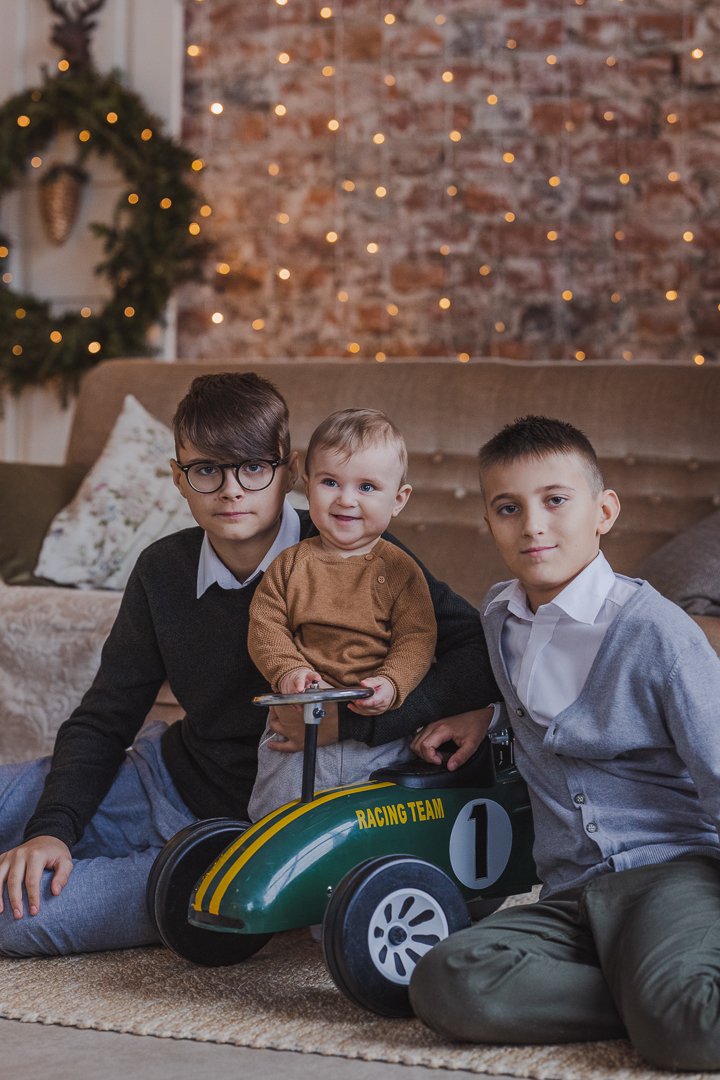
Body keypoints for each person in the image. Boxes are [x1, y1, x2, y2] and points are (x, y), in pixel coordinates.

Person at [0, 372, 497, 958]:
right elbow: (105, 716)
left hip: (248, 837)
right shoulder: (163, 570)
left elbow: (479, 651)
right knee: (22, 816)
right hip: (165, 777)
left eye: (254, 467)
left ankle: (192, 885)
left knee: (15, 917)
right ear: (178, 478)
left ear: (289, 471)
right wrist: (52, 829)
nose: (231, 490)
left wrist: (354, 723)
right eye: (207, 470)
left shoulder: (362, 551)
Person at [410, 415, 720, 1073]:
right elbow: (537, 710)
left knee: (689, 1031)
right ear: (489, 523)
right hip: (571, 893)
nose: (533, 525)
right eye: (508, 508)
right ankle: (647, 996)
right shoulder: (499, 617)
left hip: (671, 876)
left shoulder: (659, 635)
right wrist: (488, 715)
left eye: (555, 500)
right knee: (447, 979)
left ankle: (668, 1002)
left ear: (604, 511)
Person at [247, 408, 437, 821]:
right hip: (299, 724)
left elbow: (417, 637)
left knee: (379, 823)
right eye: (330, 482)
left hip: (379, 734)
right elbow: (265, 625)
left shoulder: (402, 570)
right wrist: (289, 670)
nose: (346, 499)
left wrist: (393, 682)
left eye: (367, 487)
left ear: (398, 499)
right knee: (278, 822)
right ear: (307, 484)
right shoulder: (290, 564)